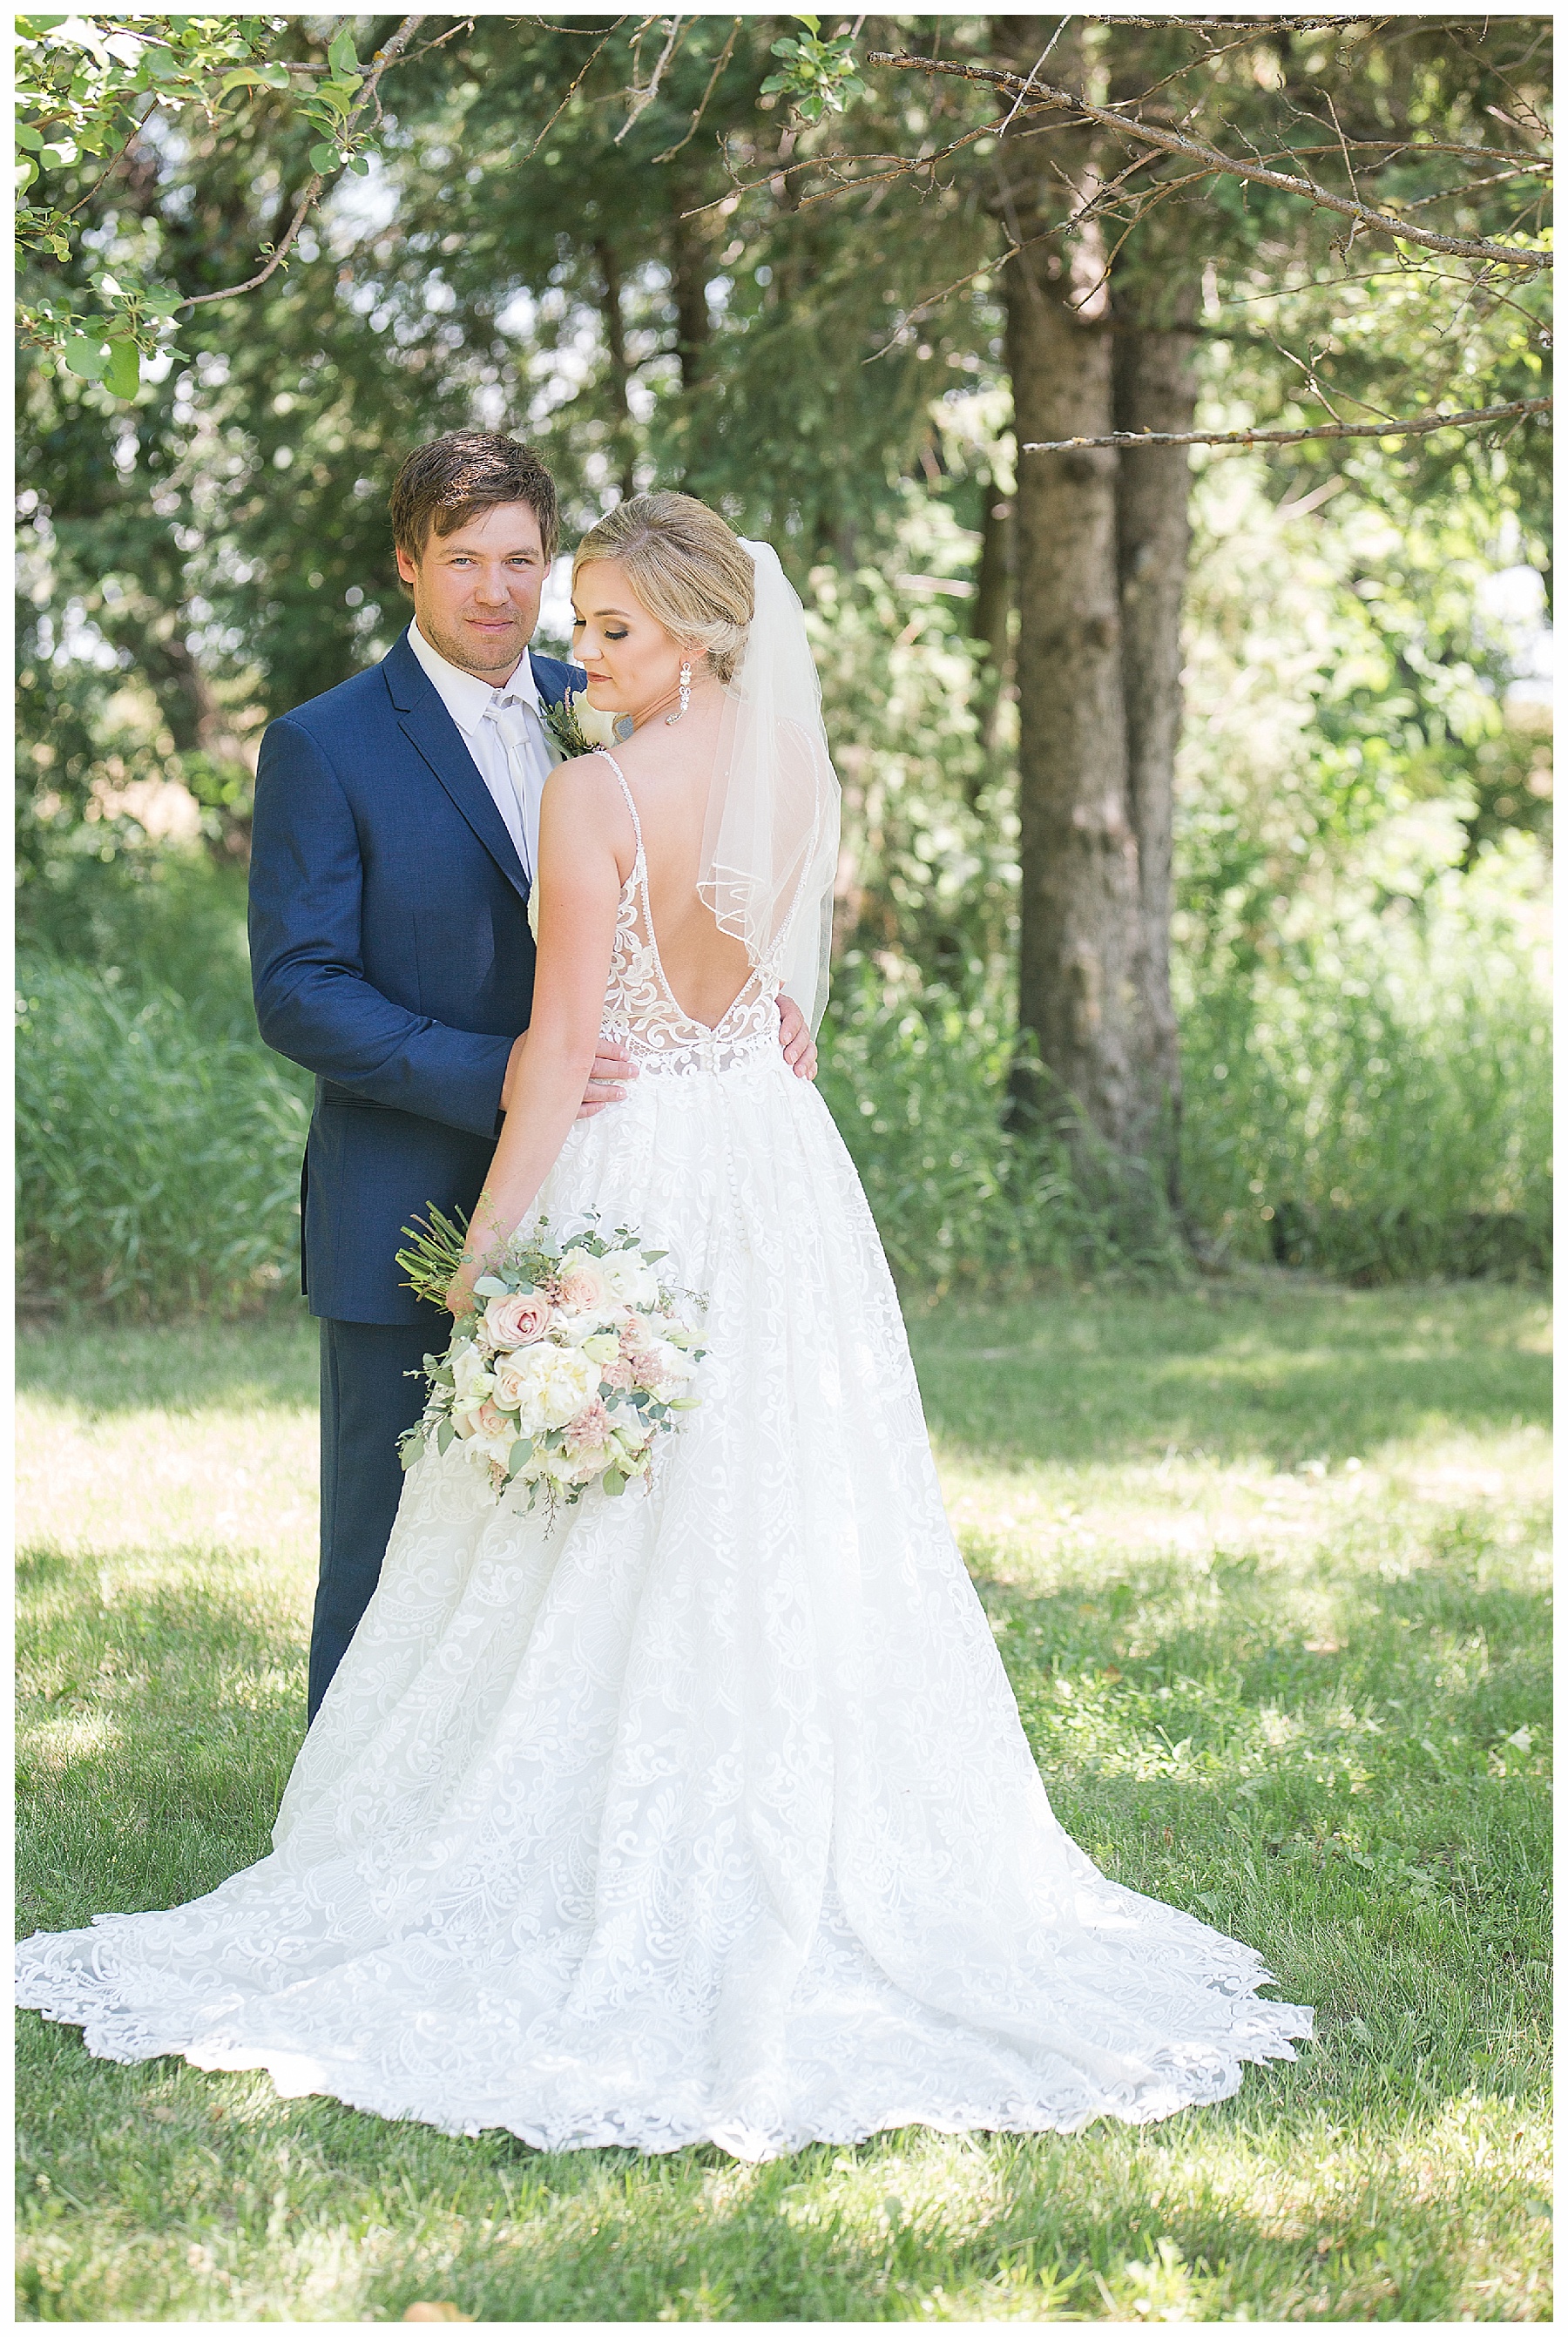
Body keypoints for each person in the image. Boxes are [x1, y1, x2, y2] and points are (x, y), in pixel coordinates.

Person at [16, 494, 1310, 2161]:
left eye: (611, 626)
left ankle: (567, 1837)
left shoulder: (592, 793)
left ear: (698, 633)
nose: (577, 653)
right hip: (770, 1172)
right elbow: (778, 1009)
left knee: (603, 1514)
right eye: (580, 620)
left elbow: (558, 1055)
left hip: (629, 1168)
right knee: (771, 1496)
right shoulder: (785, 783)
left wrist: (482, 1261)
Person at [243, 434, 816, 1719]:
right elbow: (297, 989)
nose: (496, 590)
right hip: (407, 1183)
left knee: (578, 1550)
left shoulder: (611, 692)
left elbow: (696, 895)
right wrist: (498, 1073)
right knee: (395, 1530)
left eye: (520, 559)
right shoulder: (323, 745)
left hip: (618, 1186)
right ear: (407, 564)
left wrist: (767, 1007)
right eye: (463, 561)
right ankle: (345, 1816)